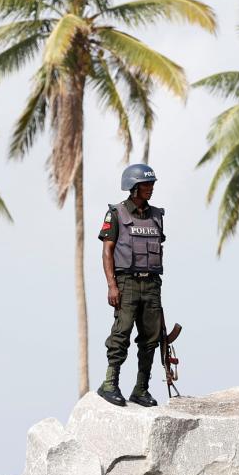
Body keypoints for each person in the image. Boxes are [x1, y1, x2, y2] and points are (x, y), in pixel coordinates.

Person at [95, 162, 165, 407]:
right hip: (126, 283)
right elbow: (107, 252)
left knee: (151, 339)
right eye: (146, 184)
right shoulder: (116, 213)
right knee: (121, 333)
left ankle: (141, 388)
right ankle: (109, 384)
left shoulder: (157, 216)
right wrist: (111, 286)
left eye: (152, 184)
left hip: (152, 285)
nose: (150, 188)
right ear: (133, 187)